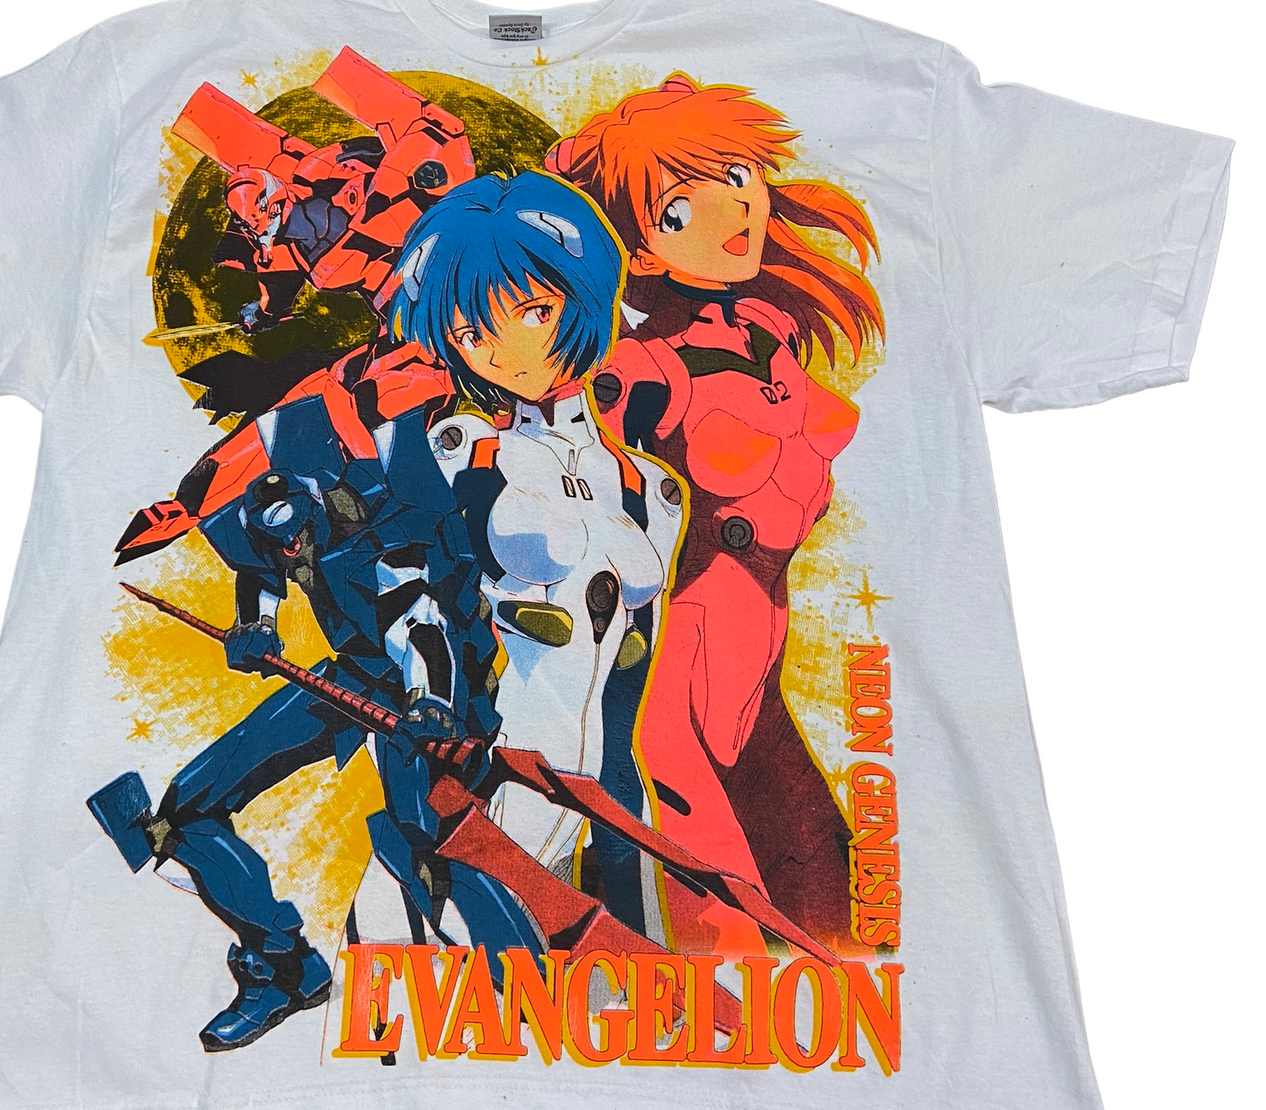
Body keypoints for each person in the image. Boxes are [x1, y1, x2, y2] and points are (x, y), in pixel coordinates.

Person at [89, 389, 536, 1053]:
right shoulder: (268, 535)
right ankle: (287, 969)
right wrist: (255, 630)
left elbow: (424, 627)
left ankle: (528, 983)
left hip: (430, 689)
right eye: (278, 545)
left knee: (424, 834)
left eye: (298, 539)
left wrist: (431, 705)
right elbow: (259, 580)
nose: (291, 554)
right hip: (353, 674)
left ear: (321, 511)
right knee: (188, 809)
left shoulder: (381, 535)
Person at [550, 72, 883, 949]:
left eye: (737, 175)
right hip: (676, 660)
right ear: (640, 252)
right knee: (721, 908)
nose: (732, 207)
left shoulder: (770, 325)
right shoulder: (636, 370)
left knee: (828, 898)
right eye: (677, 208)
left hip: (758, 649)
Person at [390, 170, 685, 937]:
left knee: (626, 983)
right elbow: (415, 587)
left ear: (582, 298)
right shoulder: (462, 449)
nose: (507, 350)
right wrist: (426, 693)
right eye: (471, 334)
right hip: (500, 779)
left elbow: (633, 667)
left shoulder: (647, 486)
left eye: (532, 310)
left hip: (608, 792)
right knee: (455, 961)